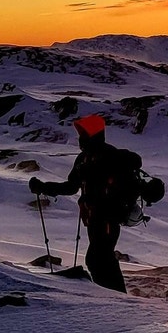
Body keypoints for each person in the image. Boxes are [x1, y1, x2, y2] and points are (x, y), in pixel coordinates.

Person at [30, 114, 143, 292]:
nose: (80, 139)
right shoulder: (84, 159)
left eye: (83, 135)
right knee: (101, 258)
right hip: (92, 217)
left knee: (98, 257)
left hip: (108, 217)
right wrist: (44, 187)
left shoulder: (109, 157)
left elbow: (74, 187)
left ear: (94, 136)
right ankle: (113, 296)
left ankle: (115, 297)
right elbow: (71, 187)